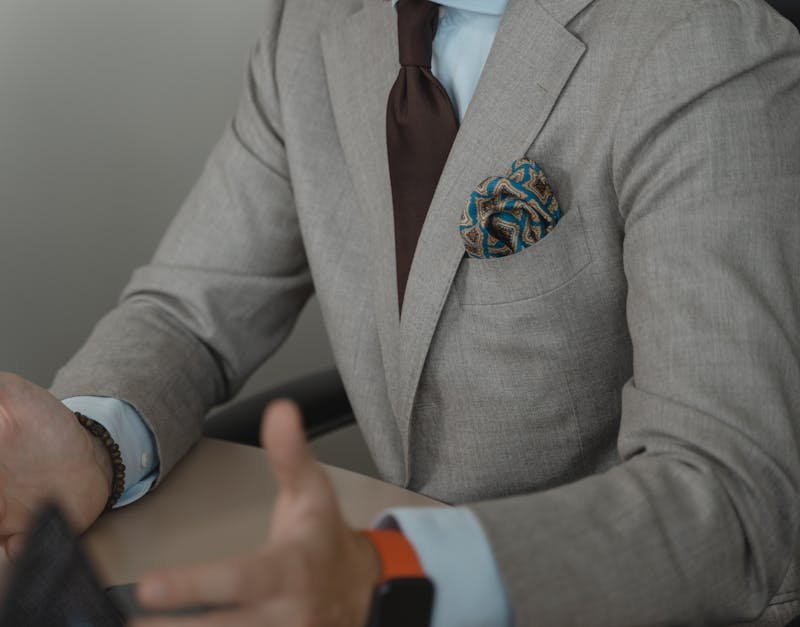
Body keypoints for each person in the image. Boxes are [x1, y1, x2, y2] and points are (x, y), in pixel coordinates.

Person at [1, 0, 799, 625]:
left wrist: (398, 572)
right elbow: (189, 309)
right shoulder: (308, 22)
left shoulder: (704, 45)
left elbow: (730, 501)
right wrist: (93, 441)